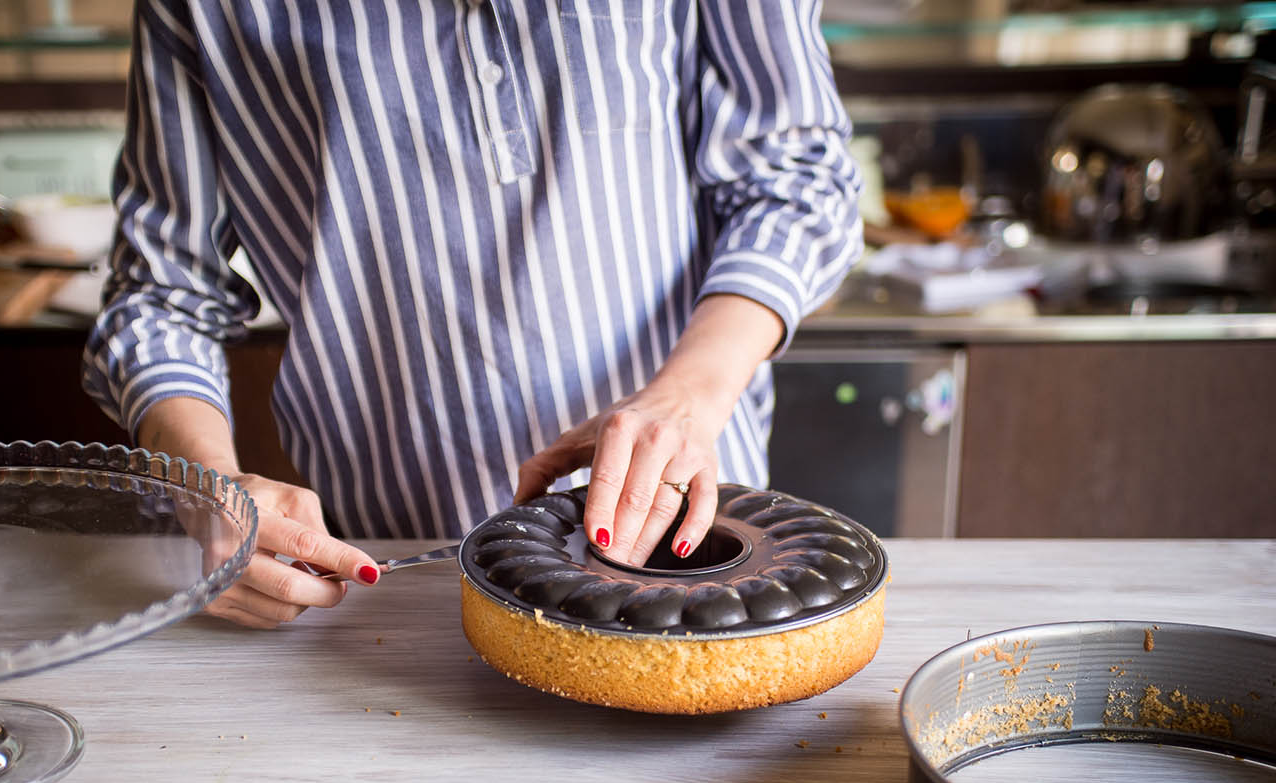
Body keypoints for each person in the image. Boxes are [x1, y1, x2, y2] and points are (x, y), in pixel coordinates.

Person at [82, 0, 863, 628]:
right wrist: (209, 488)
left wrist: (688, 394)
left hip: (697, 556)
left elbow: (798, 184)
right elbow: (160, 293)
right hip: (389, 582)